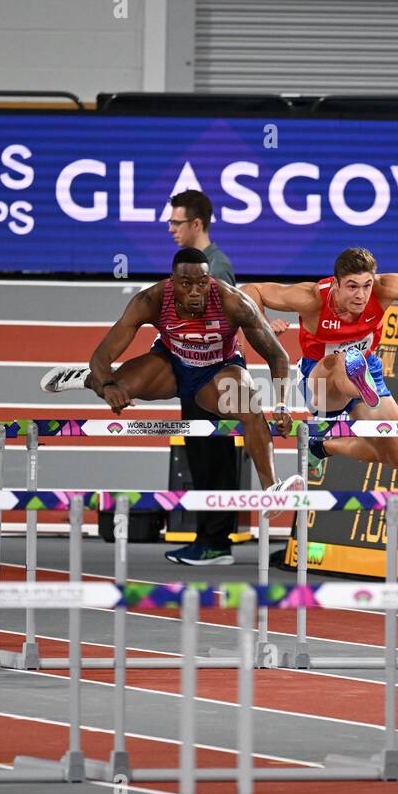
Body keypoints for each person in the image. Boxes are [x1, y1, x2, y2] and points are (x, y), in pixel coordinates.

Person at [42, 247, 302, 564]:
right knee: (115, 385)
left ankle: (271, 488)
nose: (195, 292)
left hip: (217, 371)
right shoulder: (150, 300)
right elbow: (102, 355)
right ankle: (85, 380)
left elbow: (278, 356)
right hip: (171, 366)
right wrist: (106, 384)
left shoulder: (233, 301)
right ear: (172, 282)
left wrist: (283, 405)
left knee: (248, 405)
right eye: (186, 283)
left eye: (202, 283)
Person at [241, 247, 398, 476]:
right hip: (322, 382)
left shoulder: (384, 288)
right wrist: (264, 323)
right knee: (340, 361)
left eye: (366, 285)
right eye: (352, 287)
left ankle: (323, 447)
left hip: (366, 372)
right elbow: (251, 290)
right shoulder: (312, 298)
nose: (361, 295)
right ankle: (363, 387)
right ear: (336, 284)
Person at [162, 190, 243, 565]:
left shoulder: (216, 267)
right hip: (195, 372)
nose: (171, 229)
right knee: (202, 454)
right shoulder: (197, 263)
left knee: (214, 456)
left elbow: (219, 324)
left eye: (176, 223)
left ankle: (216, 542)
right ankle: (209, 538)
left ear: (196, 224)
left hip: (211, 375)